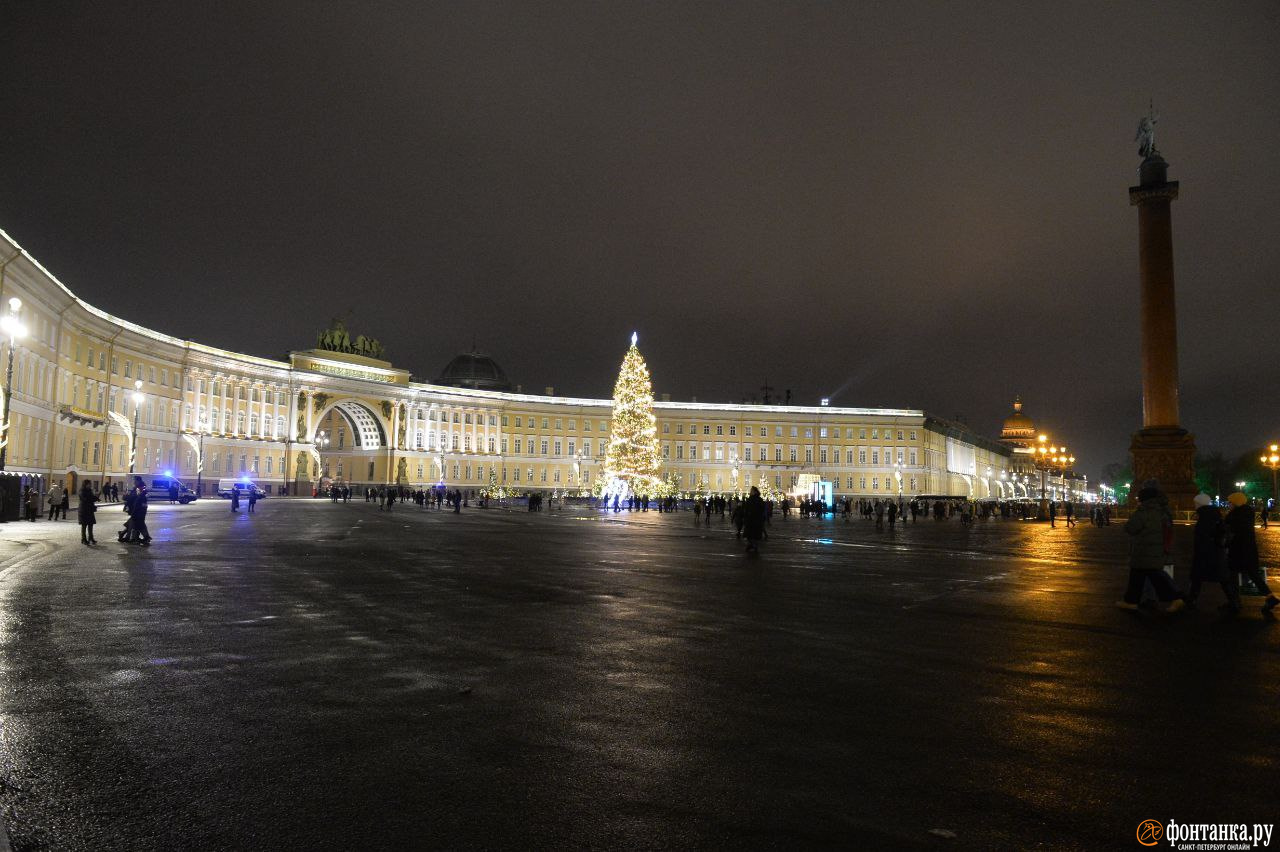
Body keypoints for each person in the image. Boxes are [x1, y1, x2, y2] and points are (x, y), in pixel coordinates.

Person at [1118, 485, 1185, 612]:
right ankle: (1131, 600)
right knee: (1139, 576)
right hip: (1155, 549)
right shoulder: (1161, 510)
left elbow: (1130, 528)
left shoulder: (1144, 511)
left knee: (1155, 576)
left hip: (1144, 550)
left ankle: (1176, 598)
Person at [1223, 492, 1280, 616]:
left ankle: (1234, 602)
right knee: (1254, 575)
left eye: (1230, 502)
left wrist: (1225, 543)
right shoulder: (1248, 513)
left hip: (1237, 550)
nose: (1229, 504)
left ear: (1236, 503)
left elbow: (1229, 532)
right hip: (1249, 550)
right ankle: (1270, 597)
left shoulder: (1234, 515)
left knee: (1231, 576)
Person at [1186, 493, 1229, 609]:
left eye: (1195, 503)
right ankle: (1233, 600)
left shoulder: (1205, 516)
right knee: (1221, 577)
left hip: (1206, 551)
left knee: (1197, 576)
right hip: (1215, 551)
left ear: (1199, 504)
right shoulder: (1213, 514)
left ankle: (1191, 599)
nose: (1194, 505)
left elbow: (1203, 535)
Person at [126, 476, 151, 546]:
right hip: (139, 509)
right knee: (138, 524)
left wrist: (127, 497)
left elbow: (138, 498)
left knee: (139, 524)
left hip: (139, 509)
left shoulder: (140, 488)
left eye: (135, 480)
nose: (134, 482)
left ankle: (145, 537)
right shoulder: (141, 487)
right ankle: (134, 537)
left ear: (138, 480)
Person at [742, 486, 767, 553]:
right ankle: (753, 545)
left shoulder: (752, 499)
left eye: (751, 491)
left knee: (750, 534)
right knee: (753, 534)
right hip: (756, 520)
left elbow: (747, 509)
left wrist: (747, 515)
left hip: (752, 520)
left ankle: (752, 545)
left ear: (755, 491)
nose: (750, 492)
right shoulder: (759, 499)